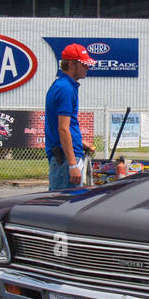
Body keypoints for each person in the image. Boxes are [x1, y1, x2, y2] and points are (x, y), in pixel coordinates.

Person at [44, 44, 94, 190]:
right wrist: (72, 164)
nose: (87, 68)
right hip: (65, 159)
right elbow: (63, 129)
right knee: (64, 204)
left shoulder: (63, 85)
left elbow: (65, 126)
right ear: (72, 64)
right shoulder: (66, 89)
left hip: (65, 155)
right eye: (84, 65)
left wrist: (79, 141)